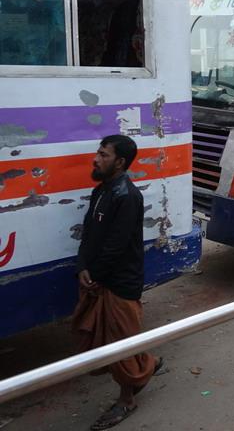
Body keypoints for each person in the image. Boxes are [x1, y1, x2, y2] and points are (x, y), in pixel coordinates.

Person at [73, 135, 161, 430]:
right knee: (112, 338)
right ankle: (148, 362)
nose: (95, 159)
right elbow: (88, 233)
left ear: (120, 162)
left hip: (120, 282)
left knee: (119, 345)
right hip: (100, 278)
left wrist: (95, 274)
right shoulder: (101, 191)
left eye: (103, 155)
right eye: (97, 153)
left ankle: (127, 399)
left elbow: (117, 245)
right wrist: (82, 266)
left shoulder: (128, 196)